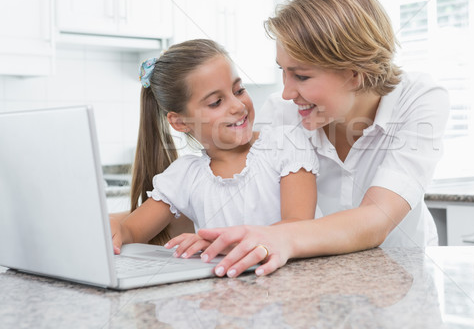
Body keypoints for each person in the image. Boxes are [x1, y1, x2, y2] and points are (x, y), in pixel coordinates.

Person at [194, 0, 449, 277]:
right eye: (283, 73)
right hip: (315, 281)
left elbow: (376, 219)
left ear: (355, 73)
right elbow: (243, 200)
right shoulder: (281, 113)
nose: (287, 93)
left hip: (403, 280)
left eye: (301, 76)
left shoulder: (418, 99)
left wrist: (282, 237)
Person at [110, 39, 318, 261]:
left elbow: (298, 226)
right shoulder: (185, 175)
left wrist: (224, 244)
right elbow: (132, 231)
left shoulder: (286, 144)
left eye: (239, 90)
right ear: (180, 122)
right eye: (216, 102)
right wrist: (116, 230)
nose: (238, 106)